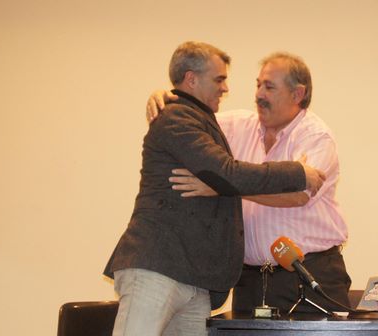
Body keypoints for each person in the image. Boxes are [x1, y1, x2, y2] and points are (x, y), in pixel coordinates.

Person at [62, 41, 325, 336]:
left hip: (194, 282)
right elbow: (227, 172)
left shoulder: (207, 120)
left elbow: (222, 173)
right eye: (219, 79)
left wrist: (160, 94)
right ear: (191, 79)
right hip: (156, 270)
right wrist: (299, 172)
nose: (226, 88)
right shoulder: (177, 118)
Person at [147, 52, 351, 315]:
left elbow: (298, 195)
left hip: (308, 274)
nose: (259, 95)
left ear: (297, 94)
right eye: (258, 85)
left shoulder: (316, 136)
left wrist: (223, 186)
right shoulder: (236, 126)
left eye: (269, 87)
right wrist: (167, 97)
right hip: (249, 281)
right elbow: (190, 119)